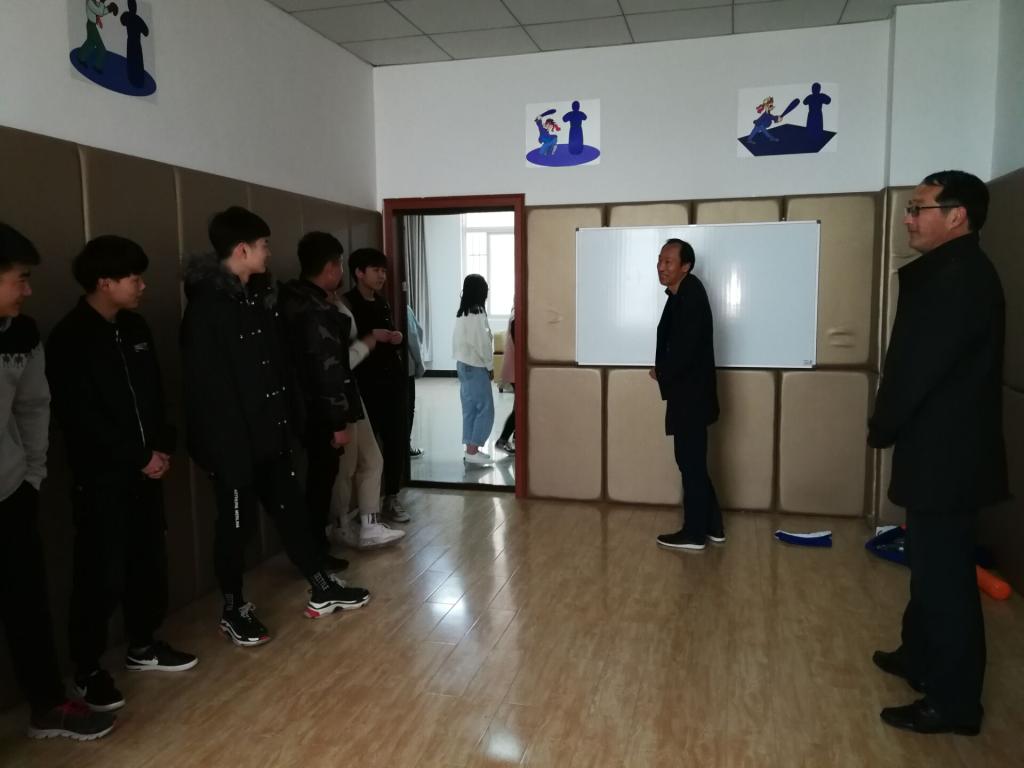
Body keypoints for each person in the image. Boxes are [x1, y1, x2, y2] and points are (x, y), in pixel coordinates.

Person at [181, 207, 369, 646]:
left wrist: (289, 424)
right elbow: (207, 391)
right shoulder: (207, 310)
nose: (269, 252)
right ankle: (233, 608)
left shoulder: (257, 301)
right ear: (242, 249)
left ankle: (321, 585)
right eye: (263, 245)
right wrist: (226, 452)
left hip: (271, 437)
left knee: (293, 513)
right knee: (235, 528)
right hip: (233, 446)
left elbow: (278, 370)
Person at [868, 170, 1007, 736]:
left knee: (946, 580)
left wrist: (883, 424)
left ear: (956, 216)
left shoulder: (959, 278)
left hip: (950, 458)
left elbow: (918, 368)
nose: (908, 218)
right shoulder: (951, 270)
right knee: (928, 567)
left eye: (918, 208)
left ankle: (953, 704)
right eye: (909, 208)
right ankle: (919, 655)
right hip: (938, 453)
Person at [46, 236, 197, 714]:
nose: (142, 285)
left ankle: (143, 643)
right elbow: (80, 417)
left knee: (147, 560)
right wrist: (137, 456)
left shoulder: (134, 327)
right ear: (104, 282)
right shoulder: (70, 338)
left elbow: (155, 391)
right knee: (100, 572)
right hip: (103, 477)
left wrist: (162, 446)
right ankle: (87, 668)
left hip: (147, 470)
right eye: (134, 277)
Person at [0, 222, 115, 740]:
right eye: (19, 278)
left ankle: (48, 705)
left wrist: (32, 474)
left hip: (11, 493)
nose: (28, 290)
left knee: (27, 605)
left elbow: (33, 407)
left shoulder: (21, 334)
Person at [277, 232, 363, 570]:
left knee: (315, 480)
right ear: (331, 267)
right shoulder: (314, 310)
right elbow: (328, 370)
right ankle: (314, 552)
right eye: (340, 264)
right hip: (318, 412)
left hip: (298, 407)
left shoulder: (291, 300)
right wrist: (338, 421)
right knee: (320, 481)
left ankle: (312, 548)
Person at [651, 238, 723, 552]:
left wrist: (663, 371)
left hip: (691, 397)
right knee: (692, 462)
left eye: (668, 262)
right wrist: (664, 369)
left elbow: (686, 348)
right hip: (690, 395)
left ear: (686, 266)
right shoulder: (682, 293)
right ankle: (713, 526)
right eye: (659, 260)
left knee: (690, 463)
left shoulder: (690, 296)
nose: (661, 267)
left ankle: (694, 534)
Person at [343, 248, 409, 523]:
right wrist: (373, 337)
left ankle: (391, 497)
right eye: (376, 270)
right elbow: (345, 350)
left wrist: (396, 337)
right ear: (359, 273)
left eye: (383, 270)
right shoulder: (347, 304)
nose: (382, 276)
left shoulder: (382, 302)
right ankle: (362, 509)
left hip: (392, 380)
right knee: (365, 452)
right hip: (365, 384)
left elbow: (387, 338)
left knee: (396, 440)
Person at [453, 274, 495, 465]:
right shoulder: (477, 312)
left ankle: (470, 450)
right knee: (486, 408)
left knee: (470, 408)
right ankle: (473, 449)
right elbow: (482, 344)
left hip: (463, 364)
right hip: (475, 365)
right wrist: (490, 366)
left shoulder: (463, 312)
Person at [495, 308, 516, 454]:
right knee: (520, 408)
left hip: (514, 368)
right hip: (515, 368)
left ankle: (514, 436)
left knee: (519, 406)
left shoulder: (515, 315)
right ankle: (502, 440)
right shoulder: (516, 318)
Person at [407, 304, 426, 459]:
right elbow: (414, 335)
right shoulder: (404, 308)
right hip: (405, 367)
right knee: (407, 407)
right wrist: (419, 363)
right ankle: (405, 445)